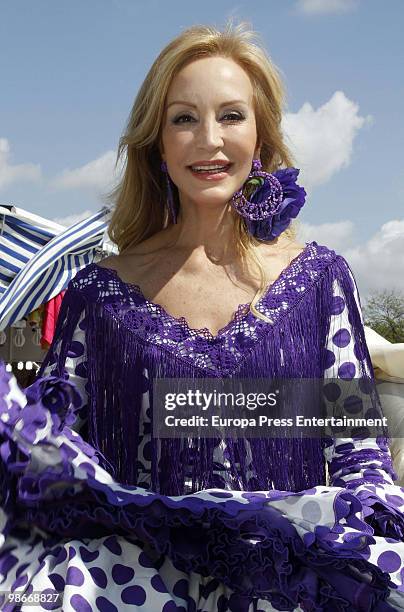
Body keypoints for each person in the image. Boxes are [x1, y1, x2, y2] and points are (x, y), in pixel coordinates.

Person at [1, 21, 404, 612]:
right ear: (157, 144)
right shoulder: (99, 295)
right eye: (184, 118)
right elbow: (55, 453)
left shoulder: (320, 280)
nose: (209, 139)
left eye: (232, 116)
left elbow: (356, 447)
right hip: (130, 588)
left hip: (288, 588)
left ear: (261, 136)